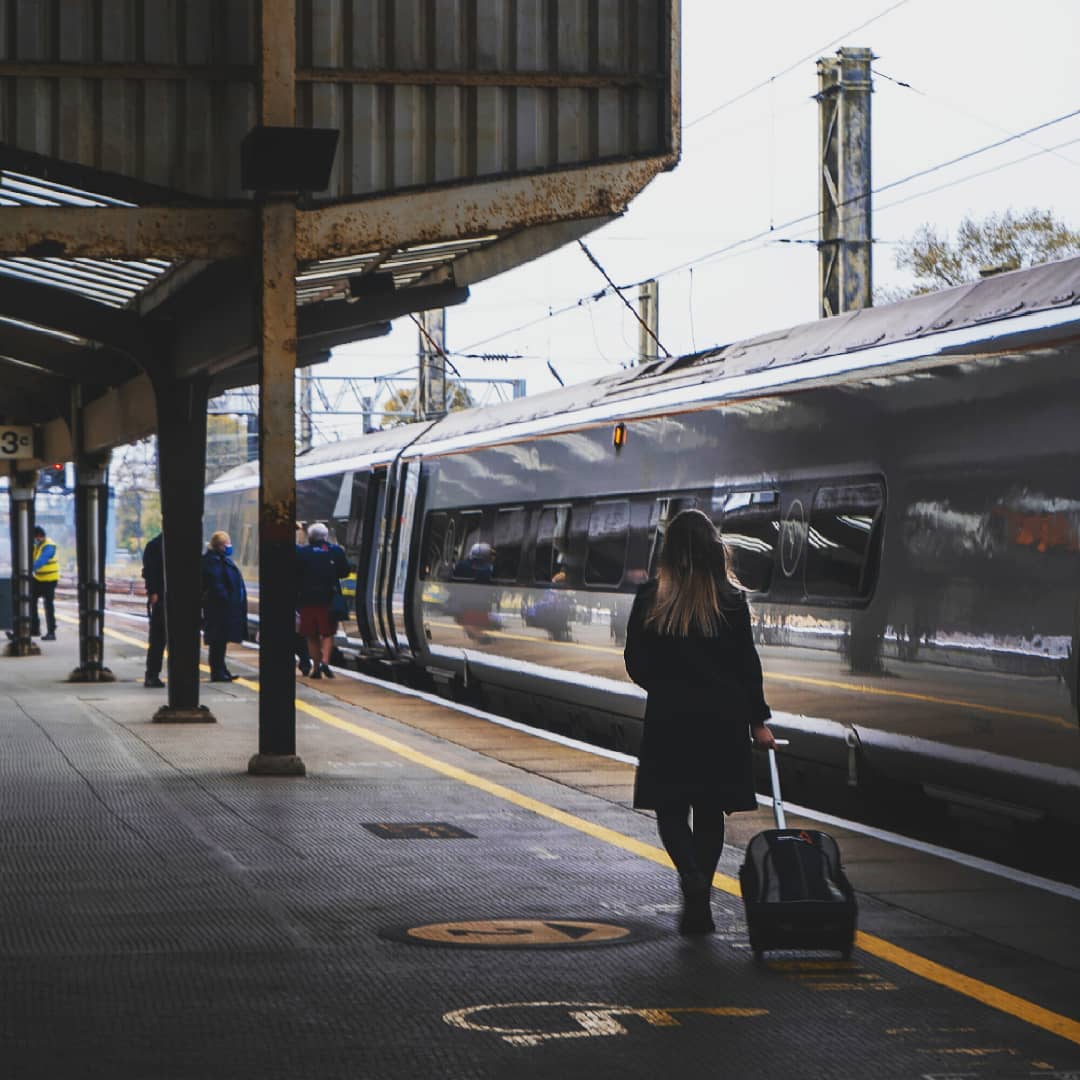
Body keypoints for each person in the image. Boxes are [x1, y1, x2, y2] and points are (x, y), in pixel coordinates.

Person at [623, 509, 776, 935]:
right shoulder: (731, 600)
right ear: (714, 551)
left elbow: (635, 661)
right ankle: (700, 901)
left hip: (670, 721)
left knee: (671, 811)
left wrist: (664, 686)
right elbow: (749, 666)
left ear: (669, 552)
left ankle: (690, 878)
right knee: (709, 813)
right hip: (722, 725)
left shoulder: (651, 597)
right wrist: (757, 722)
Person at [296, 522, 349, 679]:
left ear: (310, 537)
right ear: (325, 536)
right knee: (328, 633)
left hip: (307, 600)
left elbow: (296, 573)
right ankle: (325, 661)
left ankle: (316, 667)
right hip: (329, 599)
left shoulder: (302, 553)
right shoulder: (335, 551)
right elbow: (345, 571)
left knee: (311, 635)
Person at [200, 530, 247, 683]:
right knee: (217, 641)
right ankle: (218, 672)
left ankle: (222, 670)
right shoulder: (213, 561)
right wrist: (226, 600)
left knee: (220, 641)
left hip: (223, 608)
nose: (229, 547)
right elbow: (216, 583)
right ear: (220, 546)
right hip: (218, 608)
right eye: (227, 544)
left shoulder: (220, 559)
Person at [141, 533, 166, 688]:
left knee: (157, 639)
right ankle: (152, 675)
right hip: (163, 598)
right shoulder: (155, 546)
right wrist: (153, 592)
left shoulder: (154, 545)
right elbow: (150, 572)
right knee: (158, 639)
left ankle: (152, 674)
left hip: (165, 597)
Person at [31, 525, 59, 641]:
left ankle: (51, 632)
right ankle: (34, 629)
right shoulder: (38, 545)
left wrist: (29, 568)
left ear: (39, 536)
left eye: (35, 538)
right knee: (30, 602)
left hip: (50, 580)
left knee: (48, 606)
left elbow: (41, 561)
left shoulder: (49, 546)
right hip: (38, 579)